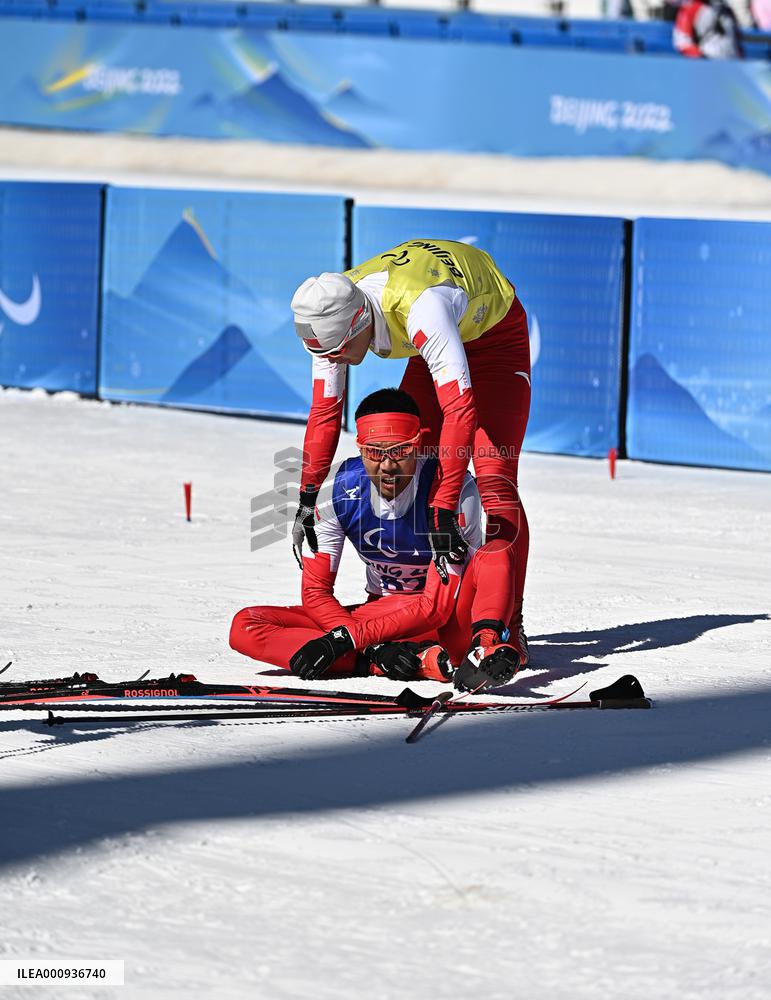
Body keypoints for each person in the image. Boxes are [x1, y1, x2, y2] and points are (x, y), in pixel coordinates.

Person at [290, 238, 531, 665]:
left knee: (494, 484)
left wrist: (442, 507)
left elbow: (461, 409)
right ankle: (424, 612)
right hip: (441, 338)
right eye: (326, 354)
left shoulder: (421, 309)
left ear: (360, 321)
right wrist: (308, 496)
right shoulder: (330, 307)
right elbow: (326, 409)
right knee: (409, 456)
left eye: (340, 351)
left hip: (493, 341)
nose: (336, 360)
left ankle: (506, 625)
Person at [231, 388, 523, 691]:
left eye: (400, 451)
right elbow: (316, 592)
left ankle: (483, 648)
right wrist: (369, 646)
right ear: (359, 448)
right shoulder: (336, 490)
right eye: (374, 452)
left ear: (418, 444)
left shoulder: (454, 490)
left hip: (448, 622)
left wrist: (345, 640)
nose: (386, 466)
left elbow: (436, 606)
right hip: (381, 618)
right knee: (246, 625)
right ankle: (385, 660)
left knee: (497, 552)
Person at [674, 0, 744, 57]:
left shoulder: (727, 10)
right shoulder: (690, 8)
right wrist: (702, 59)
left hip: (733, 65)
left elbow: (736, 40)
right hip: (707, 65)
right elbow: (682, 43)